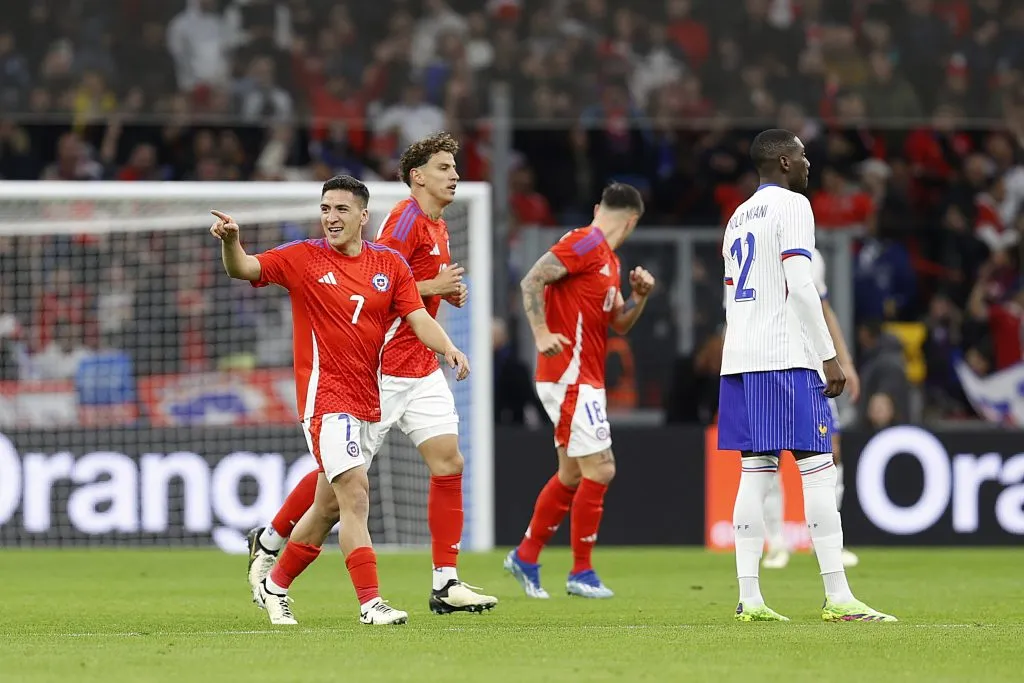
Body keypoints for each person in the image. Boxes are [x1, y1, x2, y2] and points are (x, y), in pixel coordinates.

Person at [243, 133, 497, 616]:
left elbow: (404, 290)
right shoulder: (403, 220)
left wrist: (442, 319)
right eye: (444, 167)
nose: (455, 175)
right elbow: (369, 281)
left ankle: (445, 580)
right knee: (338, 492)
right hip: (379, 369)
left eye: (454, 167)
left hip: (420, 366)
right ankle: (273, 545)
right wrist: (432, 286)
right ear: (417, 176)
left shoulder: (439, 227)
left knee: (449, 462)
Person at [719, 129, 895, 622]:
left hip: (743, 357)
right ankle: (838, 597)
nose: (808, 164)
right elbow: (801, 288)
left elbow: (734, 295)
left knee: (755, 473)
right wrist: (828, 355)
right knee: (818, 469)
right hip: (786, 357)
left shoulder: (736, 218)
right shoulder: (793, 207)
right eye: (801, 156)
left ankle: (750, 599)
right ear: (781, 163)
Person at [504, 183, 655, 599]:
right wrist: (540, 332)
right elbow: (532, 279)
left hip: (583, 377)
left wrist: (639, 297)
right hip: (569, 375)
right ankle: (581, 571)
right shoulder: (584, 242)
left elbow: (618, 323)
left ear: (598, 208)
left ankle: (526, 556)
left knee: (572, 472)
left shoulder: (608, 259)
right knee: (601, 469)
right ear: (632, 221)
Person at [762, 247, 861, 570]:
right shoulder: (752, 246)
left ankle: (826, 544)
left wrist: (844, 360)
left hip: (809, 367)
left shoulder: (811, 255)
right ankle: (776, 543)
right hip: (767, 364)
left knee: (831, 450)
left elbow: (824, 310)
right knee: (767, 454)